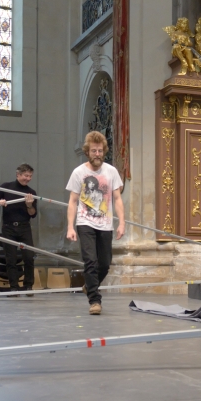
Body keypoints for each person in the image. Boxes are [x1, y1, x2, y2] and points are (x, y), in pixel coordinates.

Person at [66, 131, 124, 315]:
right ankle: (95, 301)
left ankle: (90, 285)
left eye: (100, 151)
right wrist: (70, 227)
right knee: (90, 261)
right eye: (93, 151)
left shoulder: (111, 171)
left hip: (106, 224)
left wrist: (122, 223)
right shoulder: (79, 172)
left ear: (104, 151)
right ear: (87, 152)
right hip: (85, 223)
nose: (97, 154)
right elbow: (73, 201)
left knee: (105, 264)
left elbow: (117, 199)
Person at [0, 164, 38, 291]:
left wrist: (29, 205)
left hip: (24, 227)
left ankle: (28, 286)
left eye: (30, 176)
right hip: (8, 228)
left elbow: (33, 214)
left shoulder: (31, 193)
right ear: (18, 175)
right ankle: (14, 287)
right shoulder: (6, 187)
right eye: (26, 176)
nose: (28, 178)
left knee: (29, 257)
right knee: (11, 259)